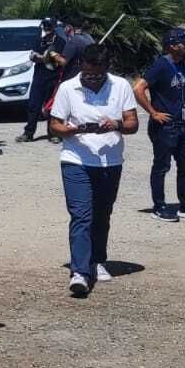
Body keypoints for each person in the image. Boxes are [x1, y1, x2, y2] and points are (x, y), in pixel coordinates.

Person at [48, 45, 139, 298]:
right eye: (87, 74)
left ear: (106, 69)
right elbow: (54, 124)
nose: (91, 79)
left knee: (102, 214)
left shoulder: (120, 86)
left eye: (97, 75)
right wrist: (71, 130)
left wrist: (116, 124)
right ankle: (79, 272)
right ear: (82, 67)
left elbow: (132, 123)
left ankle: (97, 260)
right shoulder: (68, 88)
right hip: (76, 158)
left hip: (110, 161)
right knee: (81, 215)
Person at [133, 28, 185, 223]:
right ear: (172, 46)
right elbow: (138, 88)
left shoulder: (181, 64)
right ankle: (159, 206)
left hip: (181, 124)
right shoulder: (160, 65)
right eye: (184, 43)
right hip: (165, 125)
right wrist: (153, 112)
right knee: (162, 166)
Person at [17, 18, 64, 142]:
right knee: (33, 106)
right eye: (45, 27)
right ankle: (28, 133)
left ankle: (53, 133)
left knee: (52, 108)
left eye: (49, 27)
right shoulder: (40, 41)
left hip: (53, 78)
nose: (46, 29)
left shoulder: (60, 42)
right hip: (39, 77)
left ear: (54, 28)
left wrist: (45, 58)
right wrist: (43, 58)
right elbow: (33, 56)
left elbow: (61, 60)